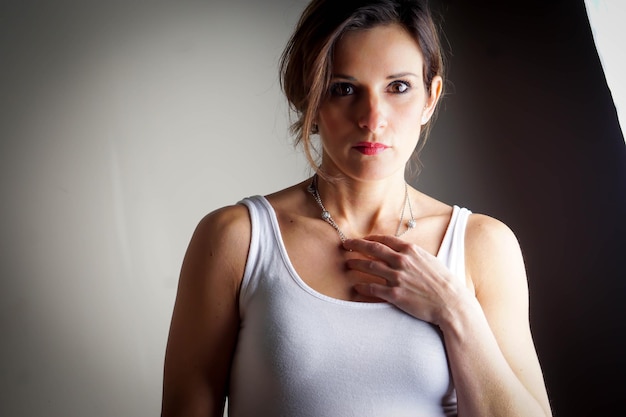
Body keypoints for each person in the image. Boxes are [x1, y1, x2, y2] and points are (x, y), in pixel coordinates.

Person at [161, 0, 553, 416]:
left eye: (398, 86)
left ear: (430, 98)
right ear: (308, 97)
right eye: (343, 88)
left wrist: (455, 311)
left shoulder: (482, 246)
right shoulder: (237, 239)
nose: (372, 118)